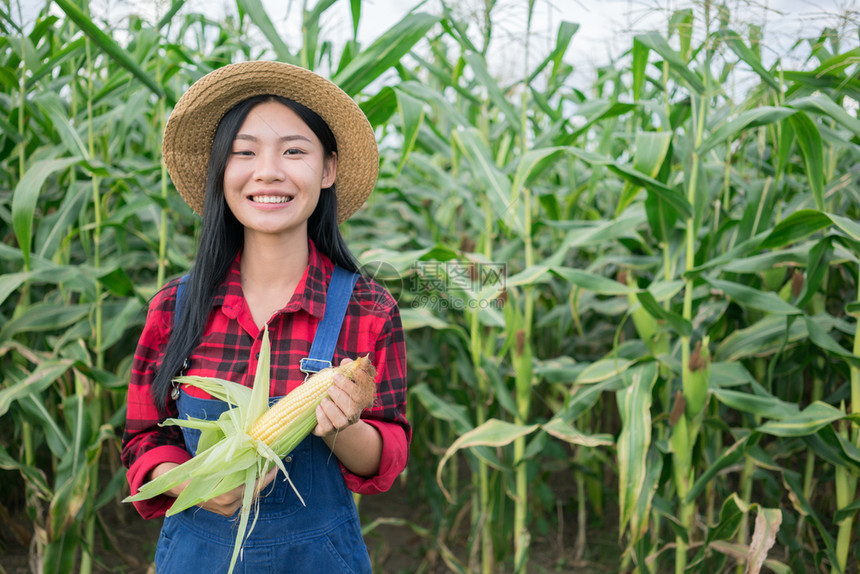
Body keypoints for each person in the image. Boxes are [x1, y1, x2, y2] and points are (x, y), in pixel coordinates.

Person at [120, 61, 409, 573]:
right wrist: (196, 482)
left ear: (328, 170)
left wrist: (341, 427)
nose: (268, 171)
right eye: (244, 152)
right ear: (220, 171)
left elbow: (385, 455)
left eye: (294, 150)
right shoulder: (174, 309)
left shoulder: (369, 310)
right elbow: (145, 441)